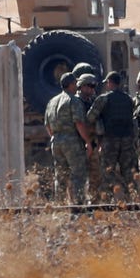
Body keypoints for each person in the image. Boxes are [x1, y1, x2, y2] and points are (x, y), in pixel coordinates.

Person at [87, 71, 137, 202]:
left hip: (110, 140)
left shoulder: (103, 98)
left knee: (108, 171)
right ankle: (132, 201)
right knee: (128, 172)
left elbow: (90, 117)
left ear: (109, 83)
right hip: (127, 139)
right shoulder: (128, 99)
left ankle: (107, 201)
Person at [44, 72, 92, 204]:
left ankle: (59, 204)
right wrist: (87, 141)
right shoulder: (73, 100)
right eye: (75, 83)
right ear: (71, 84)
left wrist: (55, 138)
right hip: (72, 141)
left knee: (60, 176)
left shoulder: (51, 102)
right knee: (78, 174)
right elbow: (79, 123)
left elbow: (47, 125)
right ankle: (79, 204)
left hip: (56, 141)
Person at [76, 72, 102, 203]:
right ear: (81, 86)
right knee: (78, 175)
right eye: (89, 86)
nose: (92, 89)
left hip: (92, 141)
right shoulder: (76, 102)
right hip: (79, 143)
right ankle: (78, 201)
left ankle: (94, 200)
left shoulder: (93, 101)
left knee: (95, 174)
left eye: (93, 86)